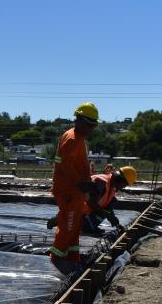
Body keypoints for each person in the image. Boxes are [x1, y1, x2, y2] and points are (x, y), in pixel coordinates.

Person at [49, 102, 100, 273]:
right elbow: (65, 165)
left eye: (94, 125)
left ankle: (72, 260)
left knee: (74, 228)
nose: (92, 129)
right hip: (69, 191)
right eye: (90, 125)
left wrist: (86, 184)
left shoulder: (79, 138)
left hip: (76, 191)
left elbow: (77, 165)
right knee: (68, 227)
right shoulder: (72, 138)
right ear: (79, 120)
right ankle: (57, 261)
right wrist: (81, 183)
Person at [47, 166, 137, 235]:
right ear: (121, 180)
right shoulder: (102, 183)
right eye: (124, 185)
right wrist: (108, 215)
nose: (123, 187)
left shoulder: (111, 186)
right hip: (75, 208)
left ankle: (87, 225)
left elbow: (107, 206)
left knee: (112, 203)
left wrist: (115, 222)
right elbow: (91, 203)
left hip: (83, 211)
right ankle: (63, 220)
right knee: (103, 213)